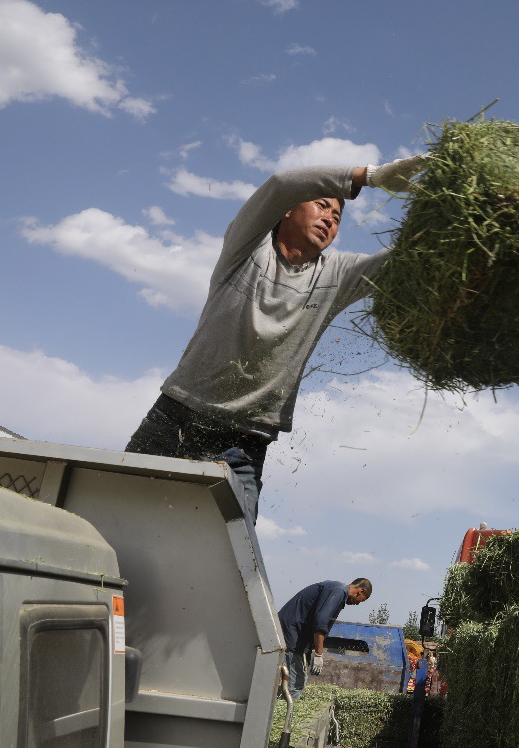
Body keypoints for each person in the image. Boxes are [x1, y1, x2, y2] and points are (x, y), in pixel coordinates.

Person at [125, 157, 427, 520]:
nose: (330, 218)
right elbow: (282, 182)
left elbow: (406, 259)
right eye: (322, 205)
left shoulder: (337, 275)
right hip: (176, 420)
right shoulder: (246, 249)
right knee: (120, 520)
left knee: (233, 557)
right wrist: (370, 176)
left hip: (243, 446)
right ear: (286, 211)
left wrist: (445, 208)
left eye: (338, 217)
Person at [278, 578, 372, 699]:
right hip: (291, 633)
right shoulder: (339, 591)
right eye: (361, 600)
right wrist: (318, 654)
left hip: (295, 633)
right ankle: (287, 715)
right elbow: (320, 624)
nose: (357, 603)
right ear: (360, 591)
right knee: (295, 684)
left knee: (298, 680)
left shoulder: (336, 588)